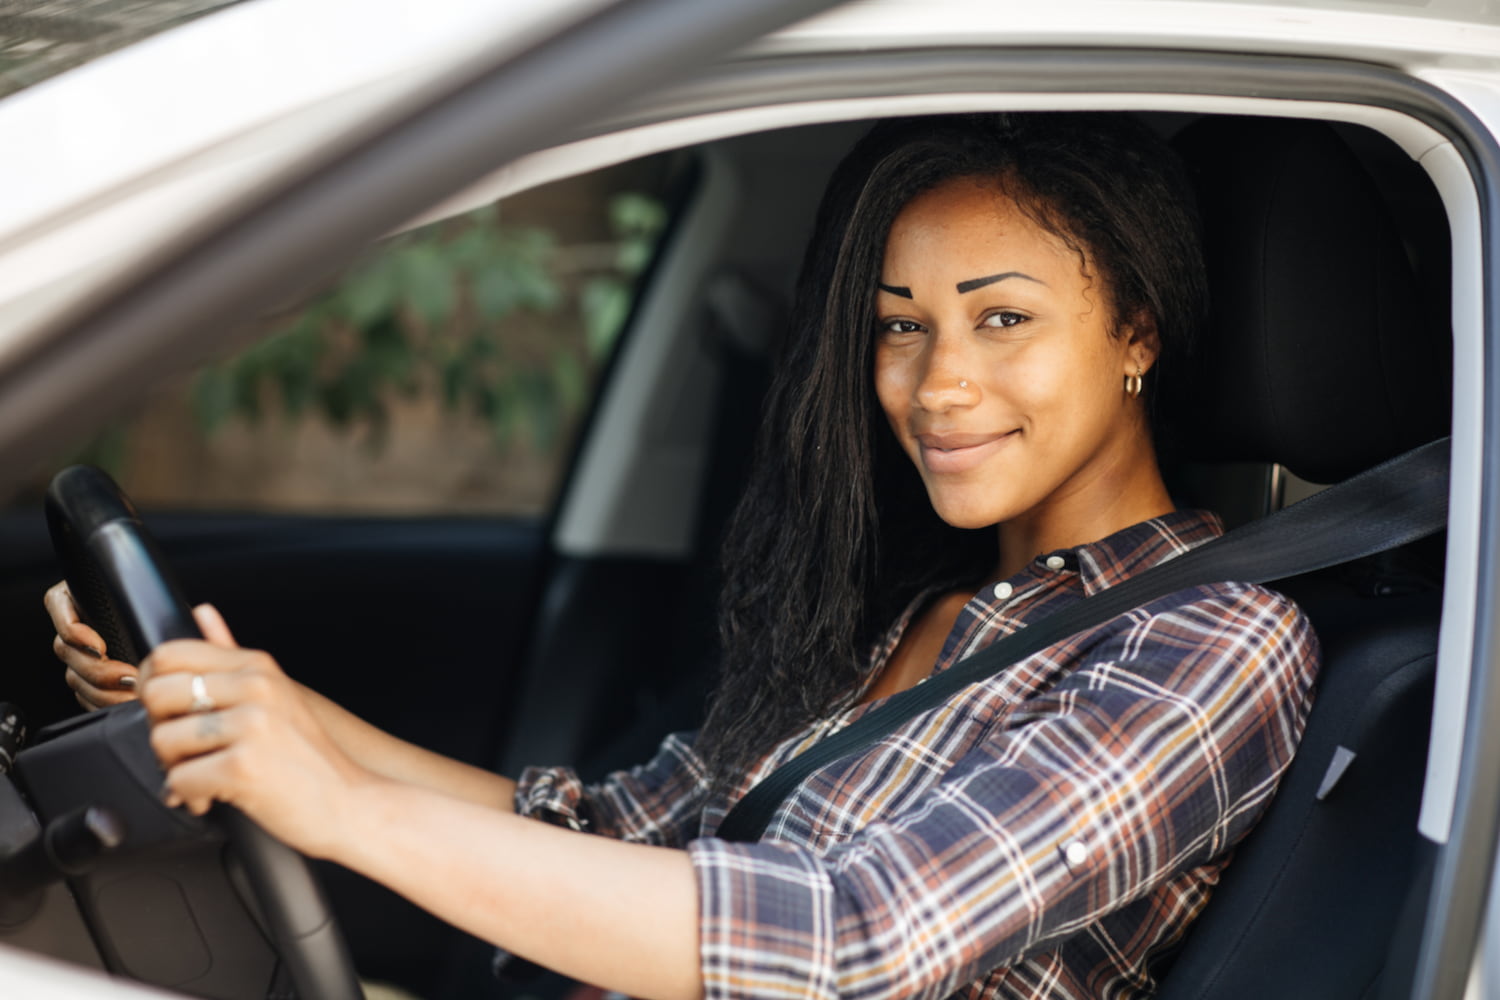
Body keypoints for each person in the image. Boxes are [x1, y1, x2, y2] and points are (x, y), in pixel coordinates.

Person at [46, 113, 1319, 1000]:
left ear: (1136, 329)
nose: (938, 384)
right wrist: (261, 712)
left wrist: (344, 811)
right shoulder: (920, 611)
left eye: (1003, 318)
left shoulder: (1215, 645)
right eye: (899, 326)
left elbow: (857, 943)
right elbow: (608, 833)